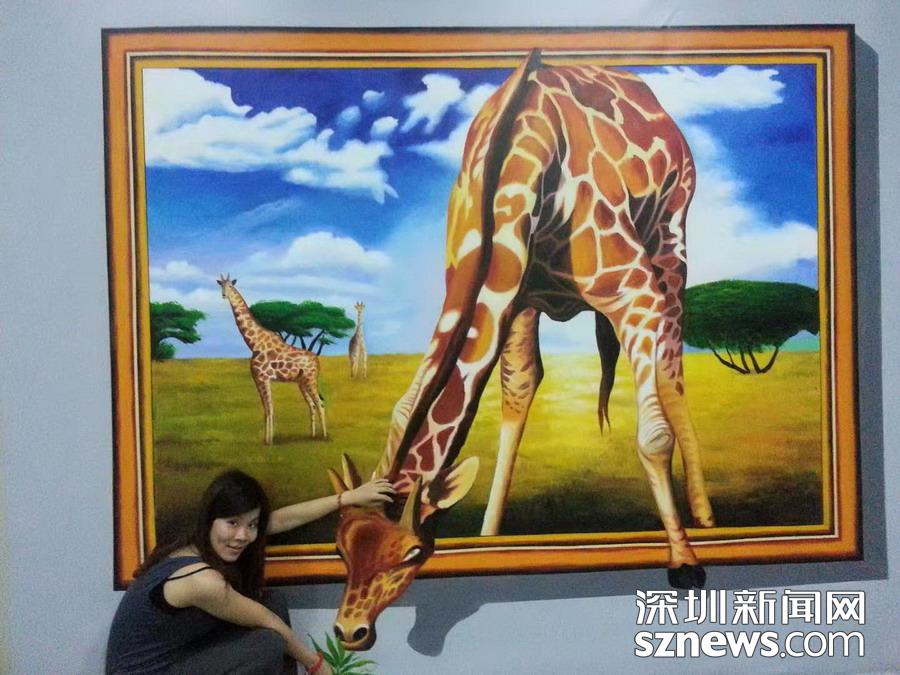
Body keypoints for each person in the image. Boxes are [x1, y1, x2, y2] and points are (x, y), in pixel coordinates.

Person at [106, 469, 395, 674]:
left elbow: (283, 519)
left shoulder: (197, 543)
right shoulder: (202, 581)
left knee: (272, 601)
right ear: (211, 520)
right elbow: (267, 621)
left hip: (180, 656)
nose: (243, 536)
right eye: (232, 523)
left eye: (252, 525)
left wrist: (348, 498)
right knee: (268, 642)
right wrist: (316, 664)